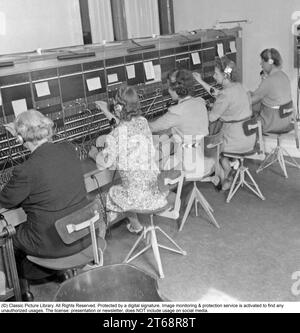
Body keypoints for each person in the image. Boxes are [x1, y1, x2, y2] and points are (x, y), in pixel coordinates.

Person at [0, 110, 91, 299]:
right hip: (83, 234)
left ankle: (21, 292)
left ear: (19, 139)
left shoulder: (25, 170)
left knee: (9, 240)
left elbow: (6, 199)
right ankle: (58, 273)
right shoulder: (68, 149)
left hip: (54, 245)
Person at [89, 86, 169, 234]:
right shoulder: (143, 122)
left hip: (138, 198)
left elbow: (103, 163)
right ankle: (136, 226)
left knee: (101, 199)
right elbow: (125, 125)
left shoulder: (115, 134)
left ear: (118, 107)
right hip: (157, 191)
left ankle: (99, 247)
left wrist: (94, 154)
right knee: (126, 187)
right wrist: (107, 111)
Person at [193, 56, 255, 190]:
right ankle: (230, 167)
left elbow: (211, 118)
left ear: (225, 75)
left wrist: (201, 108)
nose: (214, 76)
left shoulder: (225, 94)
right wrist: (200, 81)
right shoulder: (239, 86)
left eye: (216, 73)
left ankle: (226, 172)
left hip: (234, 139)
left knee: (213, 146)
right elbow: (219, 94)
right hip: (249, 137)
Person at [148, 69, 219, 183]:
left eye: (170, 88)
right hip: (201, 160)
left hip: (187, 165)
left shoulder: (177, 112)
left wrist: (134, 119)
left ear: (177, 90)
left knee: (153, 163)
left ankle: (160, 197)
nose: (169, 91)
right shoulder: (200, 102)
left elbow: (152, 127)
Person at [249, 48, 293, 133]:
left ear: (270, 62)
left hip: (273, 122)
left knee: (245, 125)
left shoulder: (269, 81)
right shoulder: (284, 76)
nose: (261, 64)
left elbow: (251, 100)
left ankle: (256, 144)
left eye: (262, 61)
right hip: (286, 120)